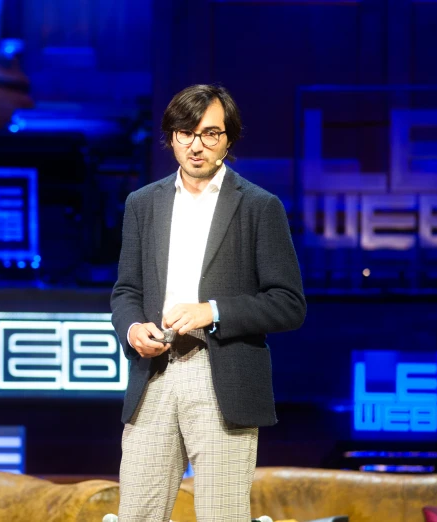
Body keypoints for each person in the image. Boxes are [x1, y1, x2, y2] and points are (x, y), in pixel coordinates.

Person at [110, 84, 306, 521]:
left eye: (210, 134)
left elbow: (289, 303)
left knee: (221, 515)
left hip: (221, 376)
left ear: (228, 140)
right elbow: (126, 291)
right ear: (171, 137)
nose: (196, 146)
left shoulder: (259, 206)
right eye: (185, 133)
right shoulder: (142, 204)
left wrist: (212, 311)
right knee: (138, 514)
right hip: (154, 376)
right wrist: (132, 329)